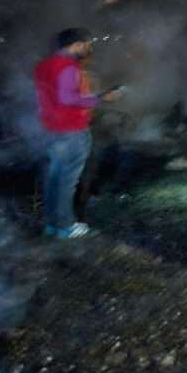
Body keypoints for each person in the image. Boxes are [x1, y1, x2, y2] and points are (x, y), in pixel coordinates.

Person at [33, 28, 122, 239]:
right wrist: (101, 98)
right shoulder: (68, 66)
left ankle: (52, 224)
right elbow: (68, 98)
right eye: (87, 44)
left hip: (52, 129)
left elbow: (49, 97)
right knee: (67, 181)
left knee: (54, 178)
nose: (89, 49)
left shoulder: (42, 66)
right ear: (76, 44)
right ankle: (66, 226)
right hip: (71, 130)